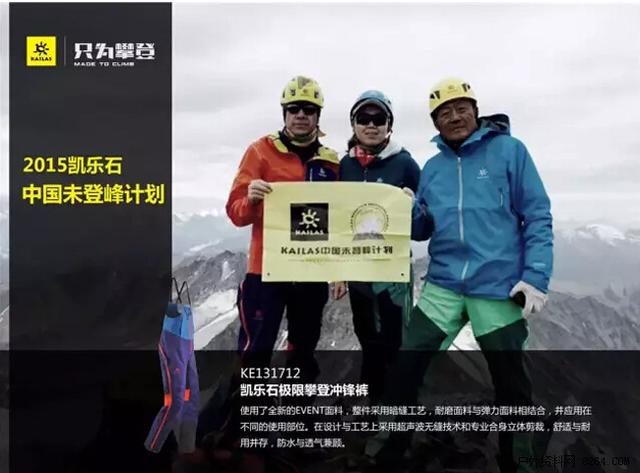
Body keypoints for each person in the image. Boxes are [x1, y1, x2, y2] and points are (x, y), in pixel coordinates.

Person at [363, 78, 553, 473]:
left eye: (461, 108)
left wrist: (536, 276)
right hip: (443, 285)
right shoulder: (433, 168)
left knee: (512, 385)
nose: (454, 117)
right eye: (444, 113)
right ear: (435, 122)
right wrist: (409, 210)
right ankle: (382, 456)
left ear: (476, 111)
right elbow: (422, 230)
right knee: (405, 371)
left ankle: (519, 464)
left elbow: (537, 215)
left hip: (497, 288)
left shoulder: (510, 152)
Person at [211, 75, 340, 469]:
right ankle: (241, 432)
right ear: (284, 113)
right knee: (255, 353)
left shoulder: (331, 160)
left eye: (309, 109)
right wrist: (250, 198)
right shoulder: (260, 151)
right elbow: (236, 213)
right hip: (264, 272)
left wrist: (340, 268)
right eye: (294, 109)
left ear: (318, 115)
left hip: (311, 273)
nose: (301, 115)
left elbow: (340, 220)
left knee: (303, 353)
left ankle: (296, 432)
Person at [332, 90, 420, 403]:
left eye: (379, 118)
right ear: (353, 124)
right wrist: (338, 271)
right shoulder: (345, 165)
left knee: (395, 342)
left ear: (389, 125)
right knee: (367, 338)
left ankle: (398, 410)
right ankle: (372, 406)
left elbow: (424, 226)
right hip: (357, 272)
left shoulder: (405, 164)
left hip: (392, 274)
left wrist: (413, 208)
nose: (371, 125)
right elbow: (338, 220)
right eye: (364, 118)